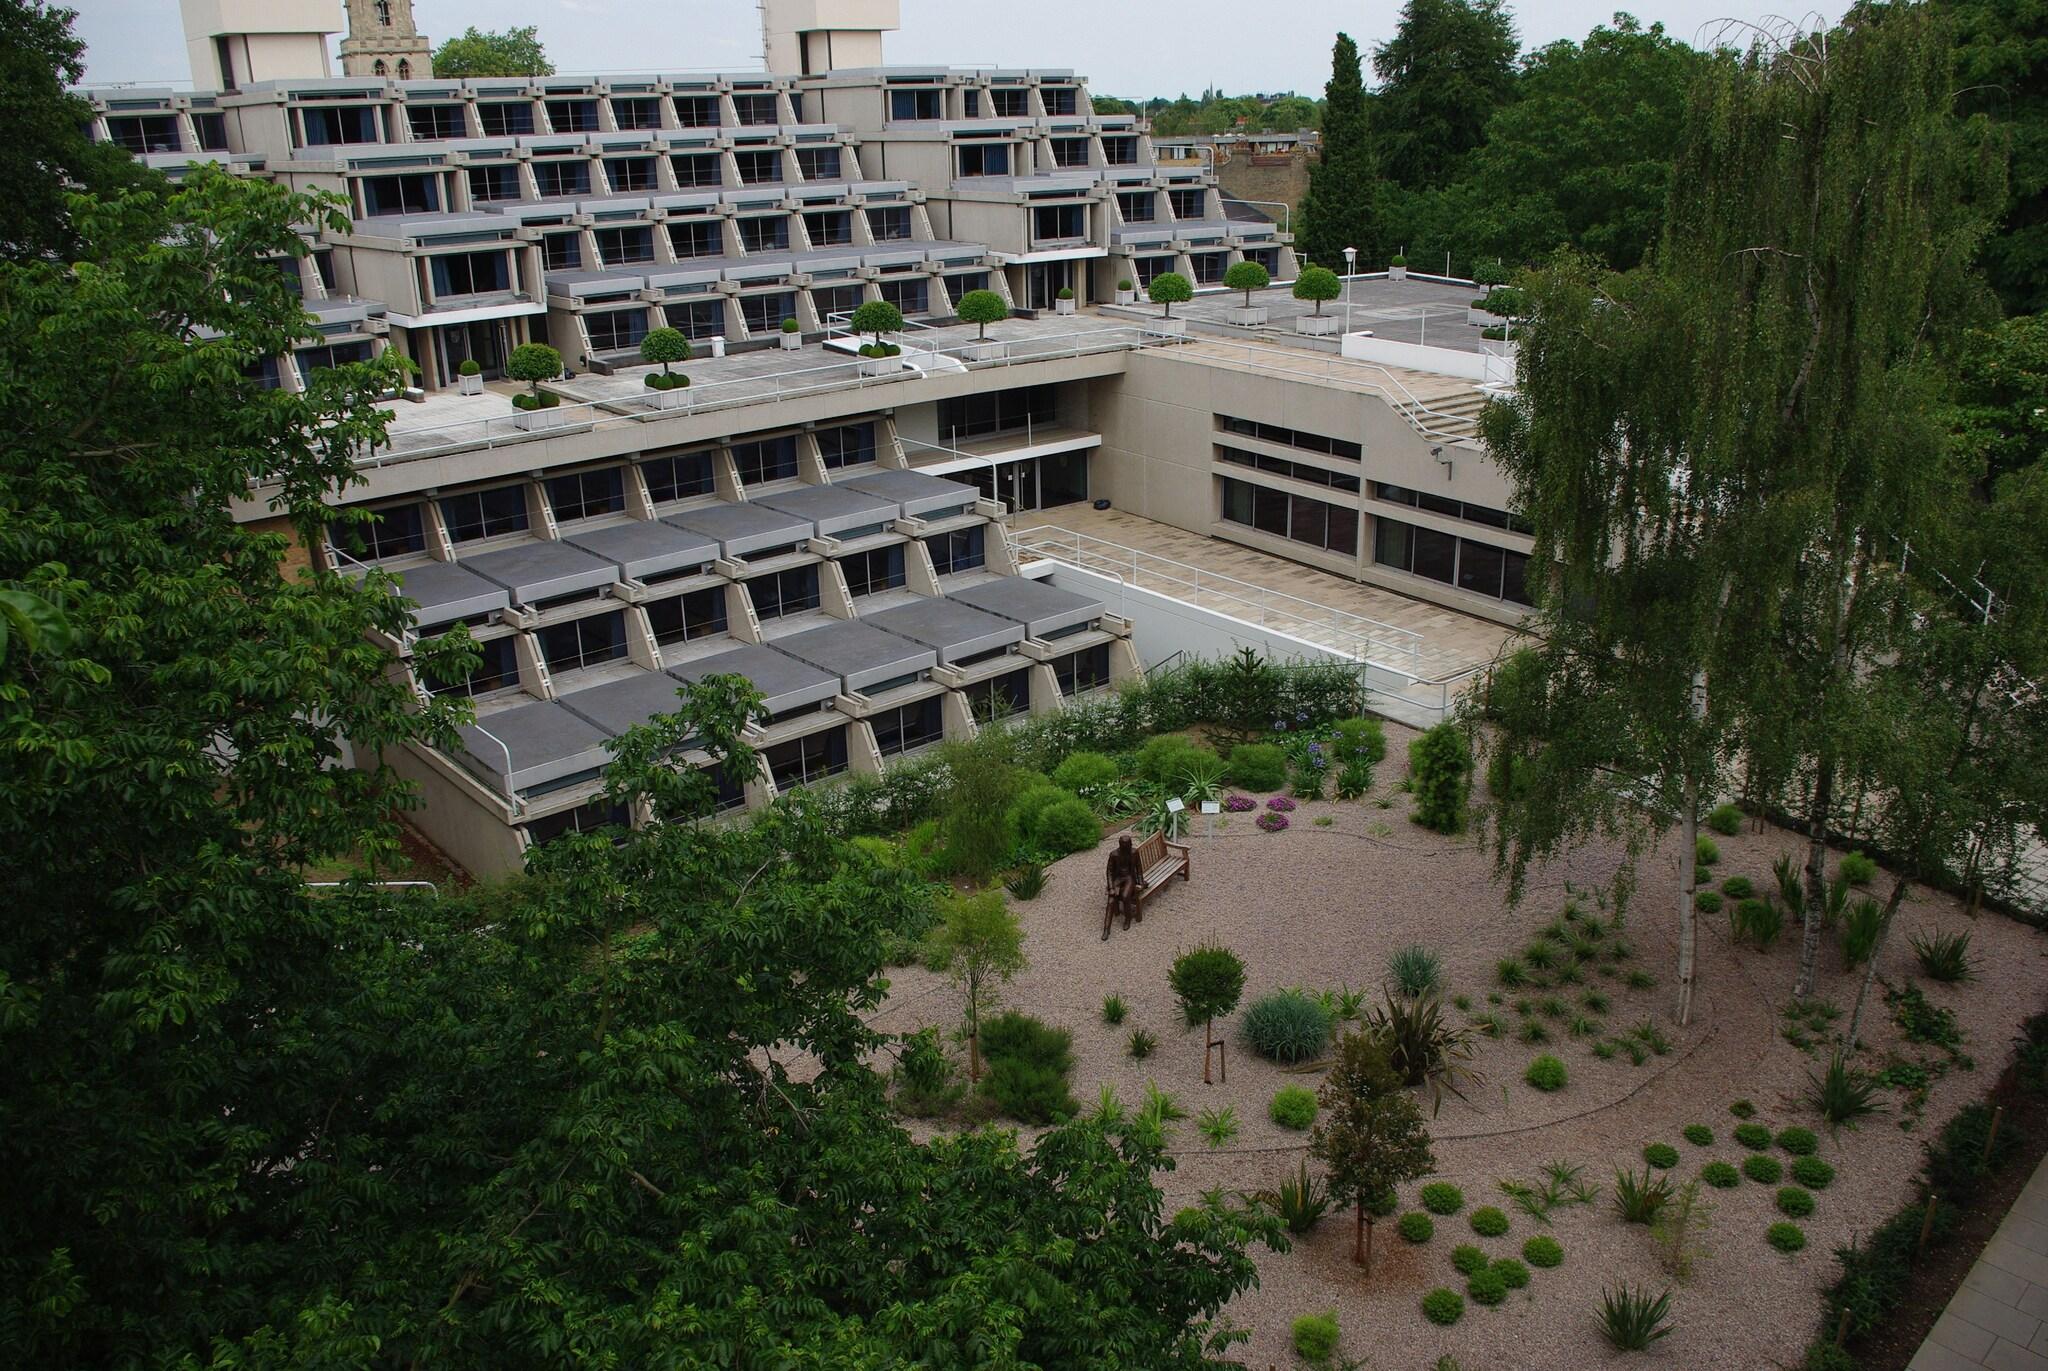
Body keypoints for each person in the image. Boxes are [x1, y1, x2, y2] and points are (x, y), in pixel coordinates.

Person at [1104, 835, 1142, 940]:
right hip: (1118, 878)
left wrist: (1141, 882)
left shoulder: (1134, 852)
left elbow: (1139, 868)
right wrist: (1111, 888)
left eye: (1128, 845)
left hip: (1129, 878)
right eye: (1124, 846)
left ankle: (1128, 919)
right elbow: (1109, 872)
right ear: (1120, 845)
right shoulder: (1114, 855)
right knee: (1111, 901)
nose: (1127, 847)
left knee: (1125, 896)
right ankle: (1106, 929)